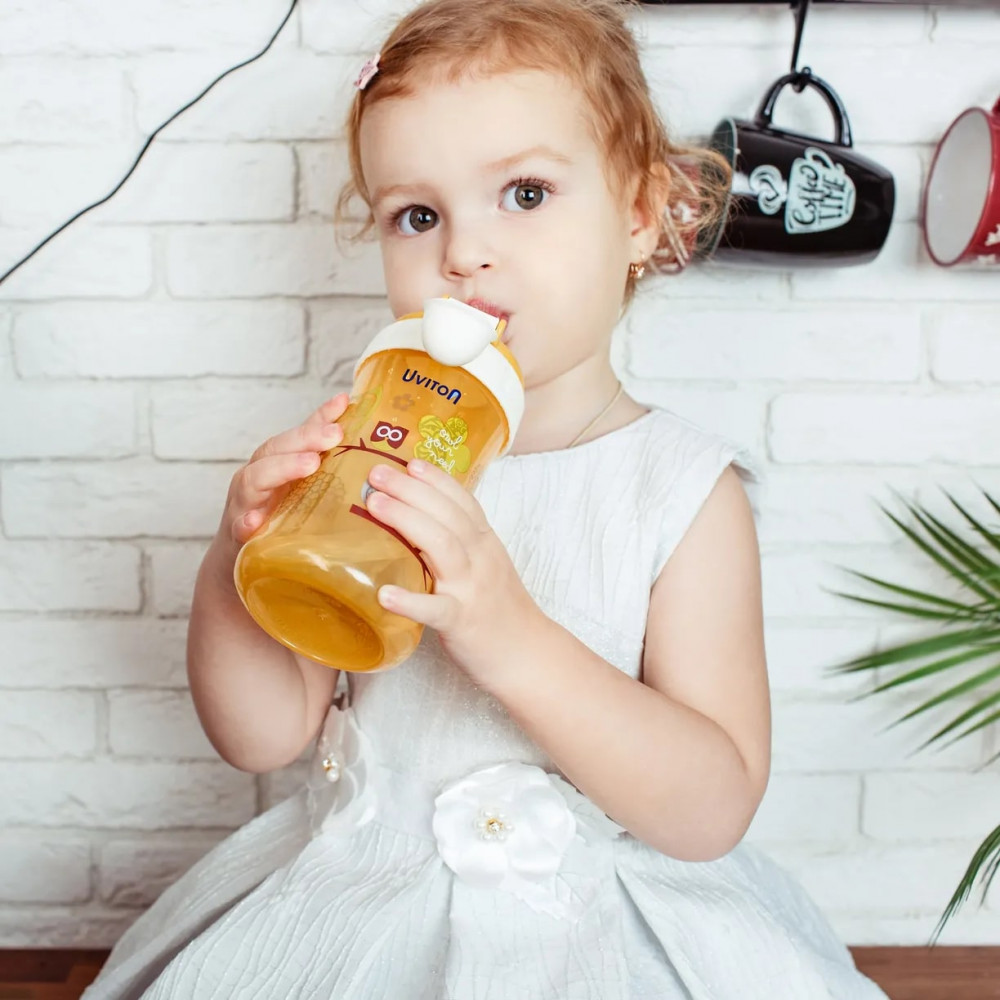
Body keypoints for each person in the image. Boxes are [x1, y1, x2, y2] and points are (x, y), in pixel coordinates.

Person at [83, 1, 888, 997]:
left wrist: (511, 634)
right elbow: (260, 735)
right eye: (417, 216)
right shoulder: (369, 456)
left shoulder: (681, 491)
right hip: (366, 895)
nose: (463, 252)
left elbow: (708, 810)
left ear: (640, 216)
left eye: (525, 192)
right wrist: (234, 556)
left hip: (596, 919)